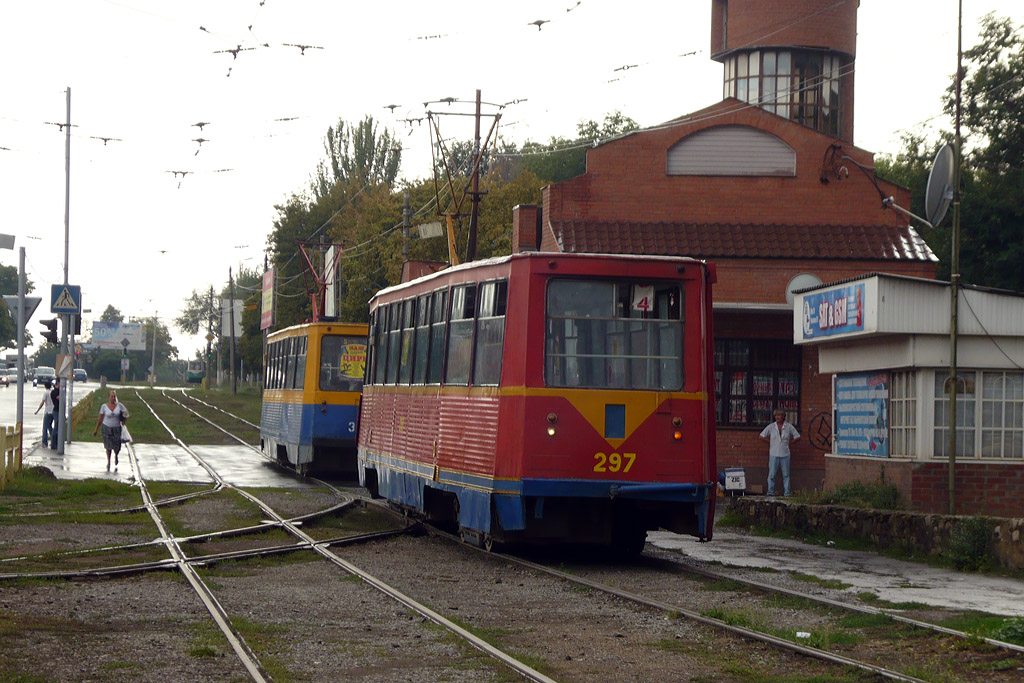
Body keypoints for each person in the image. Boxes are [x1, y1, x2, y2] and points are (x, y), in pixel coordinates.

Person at [759, 409, 800, 497]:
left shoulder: (789, 427)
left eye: (779, 415)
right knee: (771, 474)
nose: (777, 417)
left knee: (786, 475)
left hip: (785, 453)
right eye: (776, 416)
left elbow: (797, 436)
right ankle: (770, 492)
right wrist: (769, 442)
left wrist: (790, 443)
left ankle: (787, 493)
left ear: (783, 416)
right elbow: (761, 436)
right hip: (774, 453)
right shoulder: (771, 427)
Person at [93, 390, 129, 468]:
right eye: (112, 396)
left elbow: (126, 413)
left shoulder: (120, 405)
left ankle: (116, 455)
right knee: (108, 446)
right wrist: (96, 429)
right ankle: (108, 461)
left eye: (114, 396)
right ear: (109, 397)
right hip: (106, 428)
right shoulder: (104, 406)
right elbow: (100, 419)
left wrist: (124, 420)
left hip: (116, 428)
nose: (113, 398)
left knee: (117, 445)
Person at [34, 383, 55, 448]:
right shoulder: (53, 392)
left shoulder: (46, 393)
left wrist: (37, 410)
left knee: (45, 427)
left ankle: (45, 442)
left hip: (47, 411)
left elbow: (42, 403)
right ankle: (53, 440)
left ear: (45, 387)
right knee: (50, 426)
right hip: (54, 411)